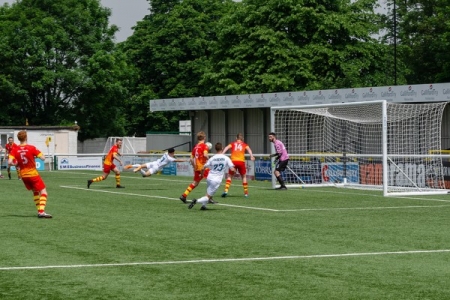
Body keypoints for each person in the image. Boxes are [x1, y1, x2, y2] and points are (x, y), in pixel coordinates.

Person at [8, 130, 52, 218]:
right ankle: (41, 212)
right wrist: (38, 155)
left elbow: (9, 162)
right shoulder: (31, 148)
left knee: (35, 191)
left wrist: (16, 163)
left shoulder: (15, 149)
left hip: (23, 175)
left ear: (18, 139)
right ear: (26, 138)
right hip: (33, 174)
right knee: (44, 192)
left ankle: (39, 211)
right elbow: (43, 158)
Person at [188, 142, 235, 210]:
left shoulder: (212, 158)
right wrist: (234, 171)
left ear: (215, 149)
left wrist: (202, 173)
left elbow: (204, 167)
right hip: (216, 180)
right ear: (222, 148)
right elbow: (232, 168)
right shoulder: (226, 158)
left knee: (207, 192)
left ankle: (203, 206)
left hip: (209, 177)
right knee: (208, 196)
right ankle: (196, 201)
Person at [179, 131, 210, 203]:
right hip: (203, 167)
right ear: (204, 138)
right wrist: (211, 160)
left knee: (195, 182)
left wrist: (194, 166)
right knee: (211, 180)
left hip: (196, 167)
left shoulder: (195, 147)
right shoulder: (204, 146)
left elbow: (191, 159)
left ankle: (184, 195)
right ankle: (209, 197)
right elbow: (205, 155)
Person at [221, 133, 255, 198]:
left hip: (233, 161)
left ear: (236, 138)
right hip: (241, 162)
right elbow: (249, 150)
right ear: (242, 139)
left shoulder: (232, 144)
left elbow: (226, 148)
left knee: (230, 176)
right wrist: (251, 156)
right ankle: (246, 193)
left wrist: (222, 154)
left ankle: (226, 191)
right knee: (244, 177)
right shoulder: (245, 145)